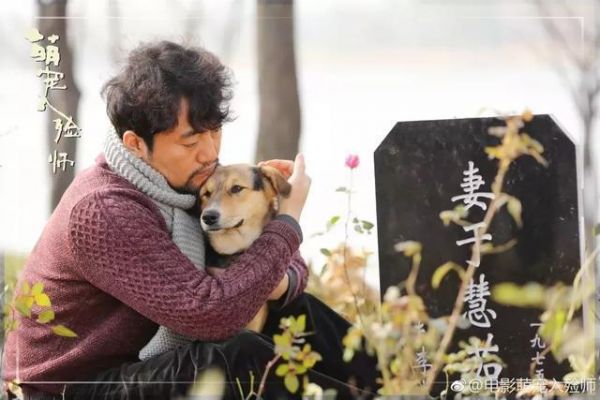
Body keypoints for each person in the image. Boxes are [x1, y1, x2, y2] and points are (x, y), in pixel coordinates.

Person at [2, 41, 379, 400]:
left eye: (215, 132)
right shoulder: (104, 208)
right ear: (136, 144)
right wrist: (288, 221)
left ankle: (397, 383)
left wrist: (275, 271)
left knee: (298, 311)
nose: (210, 153)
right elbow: (210, 314)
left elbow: (277, 264)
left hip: (136, 366)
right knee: (234, 358)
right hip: (69, 389)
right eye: (190, 141)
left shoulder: (186, 183)